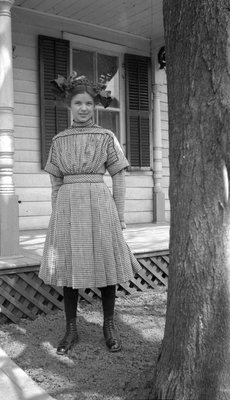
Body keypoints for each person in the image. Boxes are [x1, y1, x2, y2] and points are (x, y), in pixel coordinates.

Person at [39, 72, 141, 355]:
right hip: (68, 209)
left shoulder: (106, 136)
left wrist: (120, 216)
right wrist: (56, 216)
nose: (83, 108)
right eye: (78, 103)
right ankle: (71, 328)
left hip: (100, 206)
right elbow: (55, 183)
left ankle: (109, 324)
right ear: (69, 106)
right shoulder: (59, 141)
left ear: (94, 105)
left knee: (107, 265)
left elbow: (119, 176)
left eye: (88, 103)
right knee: (69, 266)